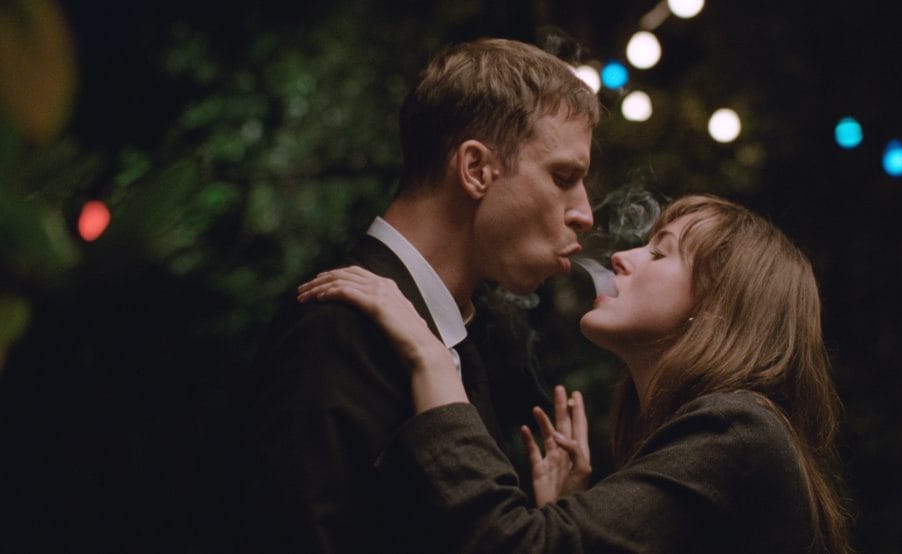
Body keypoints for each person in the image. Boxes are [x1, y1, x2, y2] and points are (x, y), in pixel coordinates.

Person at [299, 193, 852, 553]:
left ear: (716, 308)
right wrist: (567, 518)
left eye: (660, 254)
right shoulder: (724, 437)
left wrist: (431, 359)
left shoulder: (738, 431)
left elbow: (507, 546)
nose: (621, 259)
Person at [243, 38, 600, 552]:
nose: (584, 213)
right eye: (563, 177)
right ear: (476, 169)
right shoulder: (334, 330)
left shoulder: (456, 338)